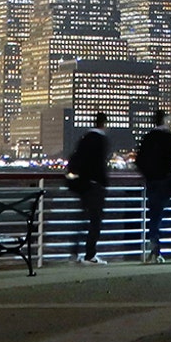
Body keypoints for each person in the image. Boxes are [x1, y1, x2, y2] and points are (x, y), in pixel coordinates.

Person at [134, 108, 171, 263]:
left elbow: (139, 160)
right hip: (166, 182)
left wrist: (148, 175)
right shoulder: (169, 138)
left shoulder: (148, 138)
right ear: (165, 120)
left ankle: (154, 246)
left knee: (155, 214)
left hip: (152, 182)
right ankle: (155, 246)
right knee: (162, 215)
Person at [65, 112, 112, 264]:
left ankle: (74, 253)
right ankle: (90, 254)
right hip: (95, 185)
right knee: (95, 221)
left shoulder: (85, 138)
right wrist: (103, 182)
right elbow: (99, 165)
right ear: (104, 124)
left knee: (83, 219)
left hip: (83, 185)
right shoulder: (101, 140)